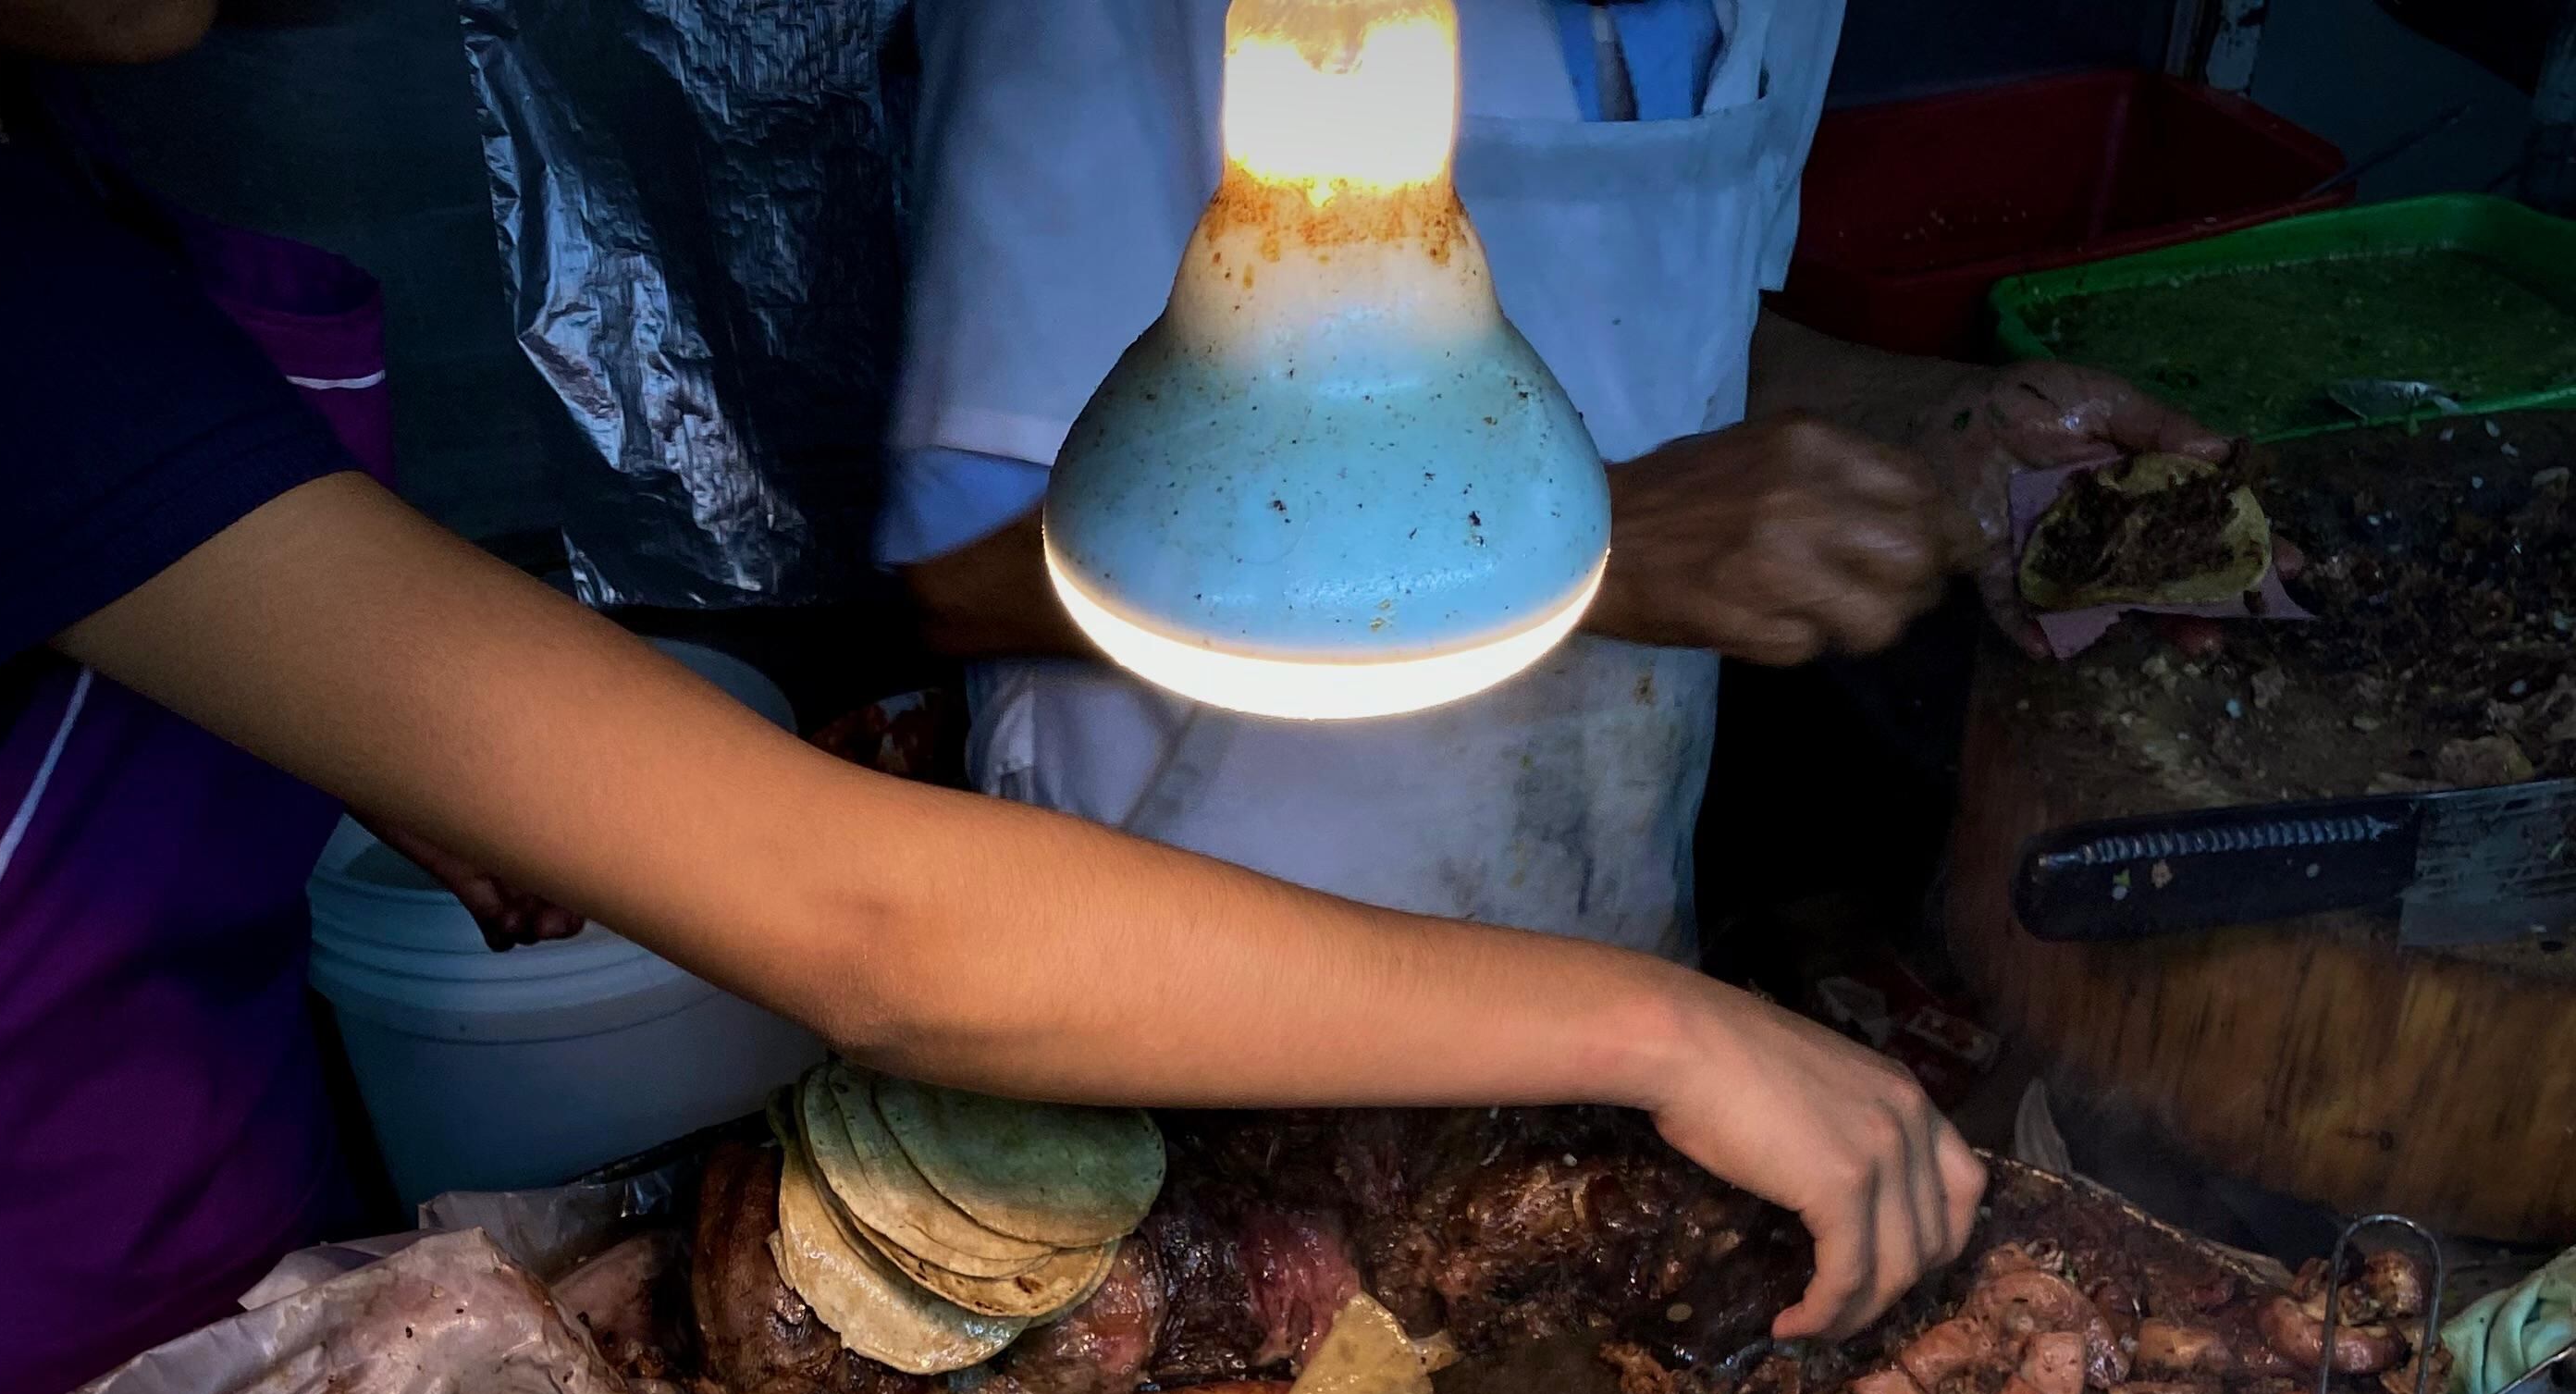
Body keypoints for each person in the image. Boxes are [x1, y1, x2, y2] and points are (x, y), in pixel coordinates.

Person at [0, 0, 1978, 1394]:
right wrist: (1658, 1023)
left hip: (213, 1151)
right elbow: (879, 934)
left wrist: (384, 730)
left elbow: (98, 610)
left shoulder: (14, 129)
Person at [889, 0, 2226, 949]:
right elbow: (951, 580)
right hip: (1192, 960)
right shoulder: (1087, 26)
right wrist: (1617, 547)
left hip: (1596, 940)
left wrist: (1933, 420)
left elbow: (1672, 328)